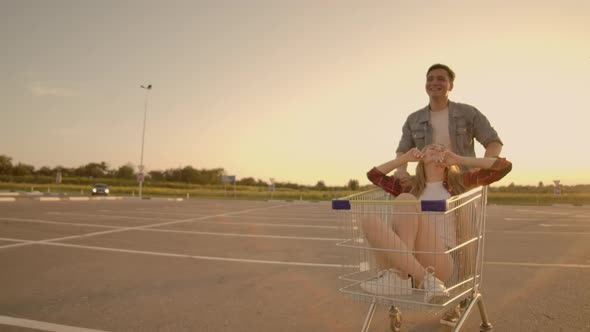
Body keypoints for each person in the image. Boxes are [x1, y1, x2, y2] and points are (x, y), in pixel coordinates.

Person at [360, 144, 512, 305]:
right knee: (368, 219)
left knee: (406, 199)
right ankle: (417, 280)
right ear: (422, 158)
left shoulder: (460, 182)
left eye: (442, 148)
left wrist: (459, 159)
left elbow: (503, 167)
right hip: (407, 259)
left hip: (441, 260)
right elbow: (374, 175)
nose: (438, 149)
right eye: (432, 148)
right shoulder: (409, 186)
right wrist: (405, 159)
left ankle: (404, 277)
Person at [394, 64, 503, 180]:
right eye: (430, 79)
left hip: (463, 182)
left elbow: (493, 142)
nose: (434, 82)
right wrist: (401, 171)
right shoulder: (413, 119)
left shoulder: (469, 112)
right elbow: (403, 151)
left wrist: (484, 167)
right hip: (429, 183)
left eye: (440, 79)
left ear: (451, 85)